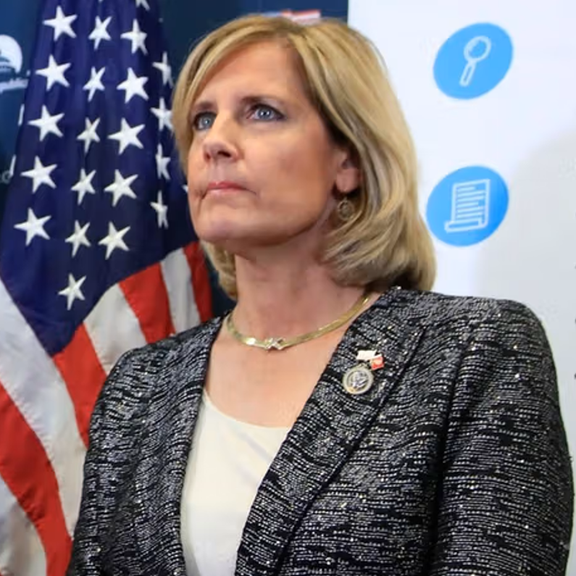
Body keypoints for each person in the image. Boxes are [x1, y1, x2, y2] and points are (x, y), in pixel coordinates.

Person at [67, 14, 573, 576]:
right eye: (202, 120)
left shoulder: (472, 351)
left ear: (348, 160)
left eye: (262, 112)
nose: (215, 142)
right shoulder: (140, 383)